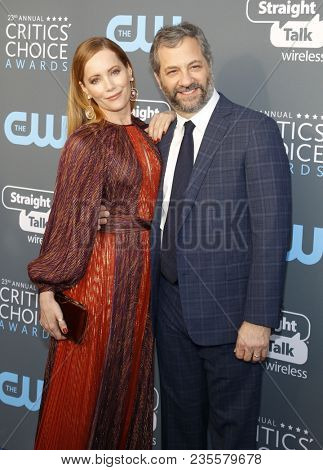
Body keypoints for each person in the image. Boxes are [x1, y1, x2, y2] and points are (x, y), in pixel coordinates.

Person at [99, 22, 292, 450]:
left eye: (194, 66)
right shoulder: (158, 136)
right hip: (167, 312)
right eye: (172, 71)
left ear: (208, 66)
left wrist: (259, 320)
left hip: (232, 320)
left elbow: (272, 232)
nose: (185, 80)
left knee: (230, 440)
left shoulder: (252, 129)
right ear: (157, 79)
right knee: (179, 434)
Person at [28, 36, 175, 450]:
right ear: (85, 90)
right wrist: (45, 290)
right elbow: (66, 220)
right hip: (99, 282)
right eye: (96, 79)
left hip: (143, 283)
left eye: (114, 71)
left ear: (131, 72)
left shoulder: (155, 133)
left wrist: (171, 117)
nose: (109, 85)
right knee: (84, 392)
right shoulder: (85, 142)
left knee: (127, 389)